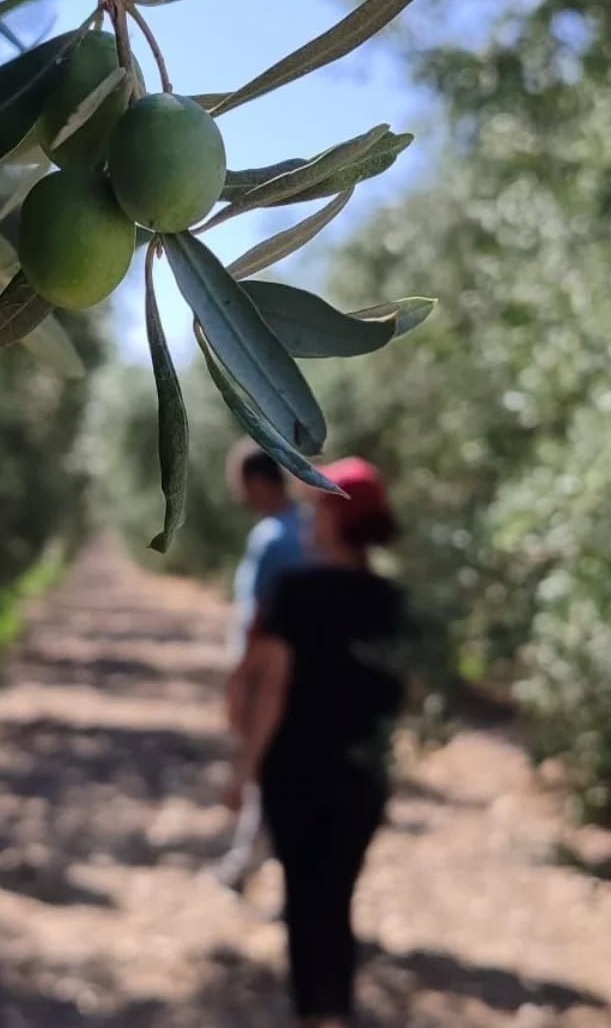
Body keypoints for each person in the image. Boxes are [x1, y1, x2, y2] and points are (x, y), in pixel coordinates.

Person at [225, 457, 406, 1028]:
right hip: (362, 778)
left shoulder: (295, 592)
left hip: (295, 773)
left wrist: (244, 768)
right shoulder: (393, 600)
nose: (306, 513)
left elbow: (270, 684)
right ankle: (339, 1012)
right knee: (338, 900)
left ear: (333, 514)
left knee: (303, 902)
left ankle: (314, 1015)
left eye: (316, 503)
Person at [210, 440, 306, 894]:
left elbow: (259, 619)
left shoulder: (270, 539)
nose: (238, 496)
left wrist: (239, 681)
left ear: (257, 481)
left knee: (260, 764)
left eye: (241, 485)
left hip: (266, 672)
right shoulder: (306, 530)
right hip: (302, 676)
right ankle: (249, 862)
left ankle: (248, 864)